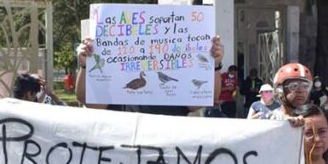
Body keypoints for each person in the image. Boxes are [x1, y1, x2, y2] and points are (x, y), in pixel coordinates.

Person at [75, 37, 223, 116]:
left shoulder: (175, 89)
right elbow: (85, 99)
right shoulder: (117, 87)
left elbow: (209, 98)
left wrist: (215, 66)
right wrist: (84, 66)